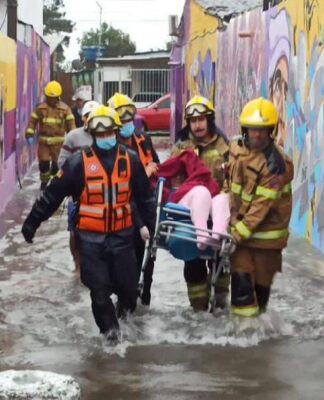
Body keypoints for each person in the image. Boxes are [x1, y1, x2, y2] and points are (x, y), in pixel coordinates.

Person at [21, 105, 156, 344]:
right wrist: (32, 223)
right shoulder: (77, 163)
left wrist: (151, 229)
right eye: (100, 134)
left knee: (128, 292)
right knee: (99, 293)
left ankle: (125, 324)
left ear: (116, 132)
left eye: (109, 133)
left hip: (123, 237)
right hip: (91, 241)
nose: (105, 138)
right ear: (92, 134)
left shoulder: (131, 160)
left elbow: (145, 198)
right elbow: (52, 195)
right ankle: (112, 341)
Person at [228, 97, 294, 317]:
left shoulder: (277, 164)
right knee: (241, 290)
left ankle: (256, 338)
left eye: (263, 130)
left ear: (271, 130)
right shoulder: (238, 147)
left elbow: (260, 207)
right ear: (244, 129)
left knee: (261, 294)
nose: (257, 134)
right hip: (242, 236)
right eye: (253, 129)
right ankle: (244, 340)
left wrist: (235, 235)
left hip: (267, 240)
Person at [172, 95, 230, 312]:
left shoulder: (225, 147)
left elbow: (232, 181)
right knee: (193, 263)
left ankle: (221, 306)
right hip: (191, 217)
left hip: (218, 215)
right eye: (193, 120)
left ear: (209, 119)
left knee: (222, 264)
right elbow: (174, 183)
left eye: (201, 119)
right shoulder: (182, 148)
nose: (197, 124)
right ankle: (198, 313)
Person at [108, 92, 159, 306]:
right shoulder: (110, 148)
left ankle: (145, 297)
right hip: (124, 213)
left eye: (130, 118)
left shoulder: (143, 139)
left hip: (146, 207)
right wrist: (143, 174)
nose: (128, 123)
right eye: (123, 119)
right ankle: (124, 304)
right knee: (126, 264)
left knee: (149, 258)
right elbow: (119, 184)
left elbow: (156, 164)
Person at [58, 100, 99, 274]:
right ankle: (77, 264)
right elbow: (62, 162)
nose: (90, 120)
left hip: (99, 194)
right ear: (82, 117)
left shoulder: (107, 136)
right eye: (87, 116)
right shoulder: (73, 137)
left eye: (94, 117)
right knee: (74, 232)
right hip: (77, 194)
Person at [25, 80, 76, 190]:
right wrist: (29, 134)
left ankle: (56, 184)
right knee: (43, 164)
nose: (51, 99)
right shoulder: (40, 108)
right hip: (44, 142)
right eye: (49, 97)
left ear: (58, 97)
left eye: (53, 97)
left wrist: (73, 138)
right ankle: (44, 182)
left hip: (59, 143)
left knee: (56, 167)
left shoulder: (65, 109)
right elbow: (32, 121)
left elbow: (71, 124)